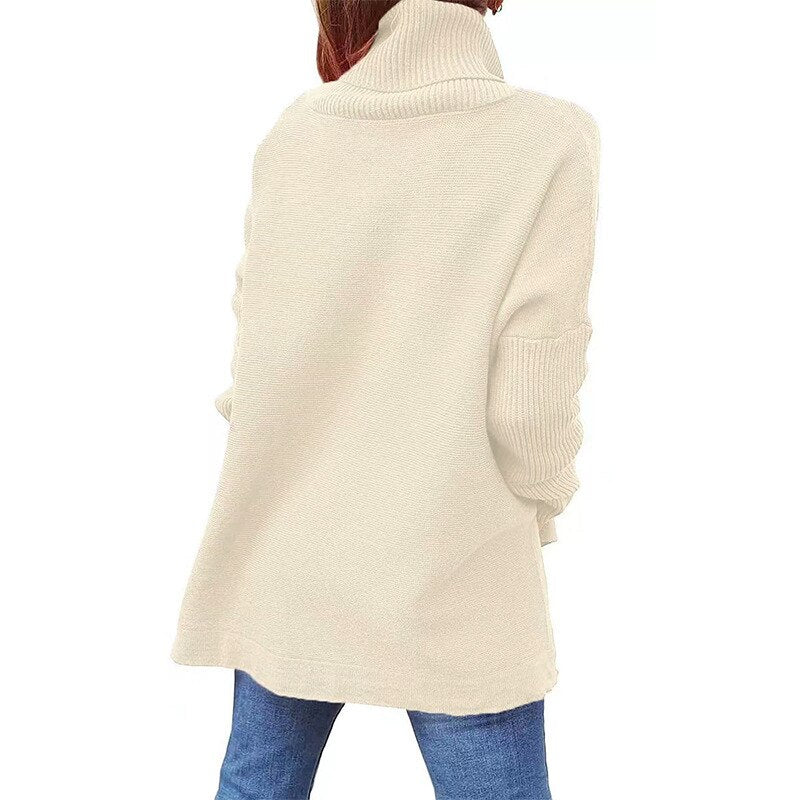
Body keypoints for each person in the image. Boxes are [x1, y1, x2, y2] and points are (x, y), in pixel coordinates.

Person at [173, 0, 599, 797]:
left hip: (290, 552)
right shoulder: (549, 139)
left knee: (257, 785)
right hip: (455, 557)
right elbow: (529, 402)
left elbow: (254, 363)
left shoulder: (298, 133)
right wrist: (547, 493)